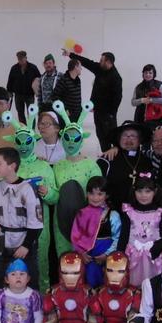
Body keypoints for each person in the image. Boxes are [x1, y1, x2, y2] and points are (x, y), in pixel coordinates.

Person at [4, 105, 58, 292]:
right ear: (15, 142)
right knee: (15, 268)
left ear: (33, 140)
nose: (24, 144)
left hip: (40, 228)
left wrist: (47, 192)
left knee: (40, 266)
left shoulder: (43, 167)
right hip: (14, 227)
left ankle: (43, 302)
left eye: (28, 140)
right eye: (20, 140)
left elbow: (54, 197)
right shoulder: (9, 167)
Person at [0, 147, 43, 304]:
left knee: (30, 281)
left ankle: (34, 321)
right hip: (0, 244)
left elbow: (36, 223)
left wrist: (26, 246)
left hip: (24, 245)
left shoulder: (27, 189)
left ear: (12, 165)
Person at [51, 101, 103, 257]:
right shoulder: (57, 166)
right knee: (65, 259)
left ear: (82, 139)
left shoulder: (91, 166)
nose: (71, 142)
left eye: (75, 138)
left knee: (84, 261)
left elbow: (100, 196)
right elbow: (55, 195)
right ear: (62, 138)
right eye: (67, 137)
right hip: (61, 221)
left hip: (87, 224)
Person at [62, 48, 122, 152]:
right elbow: (87, 62)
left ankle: (114, 156)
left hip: (108, 114)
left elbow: (117, 98)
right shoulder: (100, 69)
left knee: (110, 136)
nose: (99, 62)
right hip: (98, 111)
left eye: (102, 60)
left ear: (108, 62)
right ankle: (105, 154)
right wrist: (70, 54)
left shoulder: (115, 77)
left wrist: (111, 113)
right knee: (100, 135)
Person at [118, 174, 162, 287]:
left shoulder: (160, 213)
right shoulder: (129, 212)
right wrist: (119, 256)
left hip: (154, 258)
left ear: (155, 192)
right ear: (134, 191)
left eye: (148, 191)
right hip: (132, 257)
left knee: (153, 286)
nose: (143, 195)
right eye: (140, 191)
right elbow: (123, 236)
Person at [71, 176, 121, 288]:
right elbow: (75, 237)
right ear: (87, 194)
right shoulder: (81, 214)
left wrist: (107, 255)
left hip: (107, 260)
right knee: (88, 285)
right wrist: (81, 253)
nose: (95, 197)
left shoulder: (113, 215)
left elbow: (117, 238)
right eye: (92, 193)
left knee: (107, 286)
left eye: (100, 194)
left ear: (106, 195)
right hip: (87, 260)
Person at [102, 120, 153, 211]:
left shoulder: (147, 161)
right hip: (114, 212)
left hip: (141, 212)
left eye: (133, 136)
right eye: (125, 135)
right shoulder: (107, 159)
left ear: (139, 140)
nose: (129, 139)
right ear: (119, 139)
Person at [6, 51, 41, 123]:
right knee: (20, 113)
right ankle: (23, 129)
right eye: (19, 59)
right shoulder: (14, 68)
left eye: (22, 59)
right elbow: (10, 81)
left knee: (31, 113)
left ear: (26, 58)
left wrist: (38, 91)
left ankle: (32, 130)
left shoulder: (33, 68)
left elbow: (39, 79)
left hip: (29, 95)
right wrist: (9, 92)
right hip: (18, 95)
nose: (21, 61)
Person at [131, 64, 162, 129]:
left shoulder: (159, 84)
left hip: (157, 116)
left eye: (150, 73)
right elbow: (133, 102)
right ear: (143, 74)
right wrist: (142, 100)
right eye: (146, 73)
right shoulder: (138, 87)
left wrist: (151, 100)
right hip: (141, 116)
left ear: (154, 74)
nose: (148, 75)